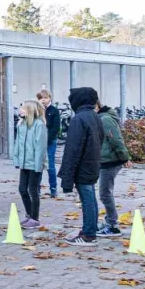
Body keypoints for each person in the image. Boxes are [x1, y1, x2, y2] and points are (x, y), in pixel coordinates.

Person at [60, 87, 103, 246]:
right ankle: (89, 229)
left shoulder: (79, 119)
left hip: (83, 166)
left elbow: (73, 148)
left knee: (87, 199)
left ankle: (89, 234)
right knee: (90, 198)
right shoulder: (94, 116)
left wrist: (67, 176)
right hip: (92, 164)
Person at [96, 99, 131, 238]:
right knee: (105, 192)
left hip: (111, 161)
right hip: (106, 160)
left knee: (105, 193)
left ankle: (113, 225)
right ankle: (110, 222)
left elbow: (116, 139)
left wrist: (124, 158)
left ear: (97, 106)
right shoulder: (101, 117)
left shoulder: (105, 119)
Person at [12, 99, 48, 228]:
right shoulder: (21, 125)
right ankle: (29, 214)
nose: (20, 110)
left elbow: (40, 147)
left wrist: (38, 165)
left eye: (23, 108)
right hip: (24, 163)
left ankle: (35, 218)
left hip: (34, 164)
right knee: (22, 189)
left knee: (33, 190)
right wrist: (17, 160)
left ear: (31, 110)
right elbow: (18, 144)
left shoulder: (39, 125)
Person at [36, 89, 61, 198]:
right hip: (38, 141)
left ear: (50, 98)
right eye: (41, 99)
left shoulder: (54, 110)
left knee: (50, 165)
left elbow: (55, 128)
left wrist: (47, 139)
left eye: (45, 98)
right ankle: (36, 189)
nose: (43, 100)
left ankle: (53, 189)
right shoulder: (37, 110)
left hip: (50, 141)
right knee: (38, 165)